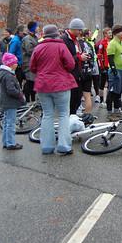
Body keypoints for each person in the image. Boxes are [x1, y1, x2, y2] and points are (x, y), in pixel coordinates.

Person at [30, 24, 76, 155]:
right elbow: (70, 64)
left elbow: (32, 67)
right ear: (56, 34)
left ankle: (46, 146)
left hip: (43, 85)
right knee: (63, 115)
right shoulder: (61, 46)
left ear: (44, 34)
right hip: (60, 84)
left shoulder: (38, 48)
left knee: (47, 115)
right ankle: (64, 145)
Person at [61, 18, 90, 116]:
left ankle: (72, 119)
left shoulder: (75, 40)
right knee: (72, 101)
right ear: (73, 29)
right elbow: (64, 58)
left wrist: (82, 56)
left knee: (77, 99)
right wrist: (79, 57)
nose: (80, 32)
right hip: (70, 75)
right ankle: (69, 122)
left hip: (77, 73)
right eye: (79, 30)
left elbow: (76, 53)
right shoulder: (64, 39)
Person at [0, 53, 26, 150]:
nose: (17, 65)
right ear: (10, 64)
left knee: (6, 122)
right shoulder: (9, 75)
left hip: (5, 102)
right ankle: (11, 143)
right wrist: (20, 95)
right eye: (15, 63)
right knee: (11, 123)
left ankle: (6, 141)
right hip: (10, 102)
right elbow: (11, 90)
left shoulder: (3, 73)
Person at [107, 25, 122, 116]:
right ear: (116, 33)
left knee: (119, 92)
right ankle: (109, 111)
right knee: (112, 91)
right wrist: (114, 71)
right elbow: (110, 58)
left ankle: (116, 110)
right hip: (115, 70)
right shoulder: (112, 43)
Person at [79, 29, 97, 120]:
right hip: (89, 71)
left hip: (79, 72)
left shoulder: (77, 44)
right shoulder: (89, 45)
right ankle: (88, 115)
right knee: (87, 95)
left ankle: (76, 116)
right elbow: (93, 58)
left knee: (77, 95)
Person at [22, 21, 39, 102]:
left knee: (33, 83)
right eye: (37, 27)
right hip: (28, 64)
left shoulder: (35, 37)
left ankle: (33, 100)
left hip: (34, 63)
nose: (38, 28)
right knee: (30, 82)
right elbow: (30, 50)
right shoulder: (27, 38)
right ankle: (28, 100)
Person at [96, 28, 112, 107]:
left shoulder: (112, 42)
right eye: (109, 33)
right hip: (104, 66)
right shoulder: (102, 42)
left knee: (110, 83)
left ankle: (109, 100)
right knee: (102, 83)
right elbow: (99, 55)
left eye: (111, 32)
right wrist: (101, 67)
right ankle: (102, 100)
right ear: (105, 34)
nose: (110, 34)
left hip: (111, 66)